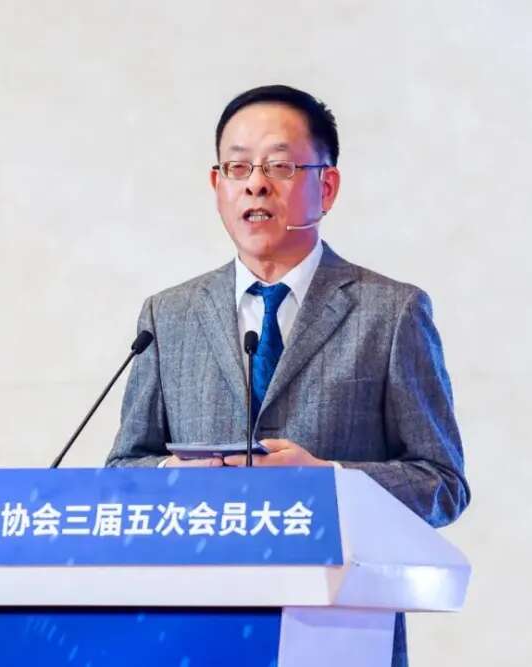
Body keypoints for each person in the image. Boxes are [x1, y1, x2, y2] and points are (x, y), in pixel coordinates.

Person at [105, 84, 469, 667]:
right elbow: (123, 469)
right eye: (238, 167)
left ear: (327, 186)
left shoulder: (391, 312)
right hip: (194, 632)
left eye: (279, 166)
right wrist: (176, 477)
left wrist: (328, 482)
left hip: (339, 636)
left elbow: (441, 484)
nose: (255, 184)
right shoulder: (168, 316)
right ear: (217, 185)